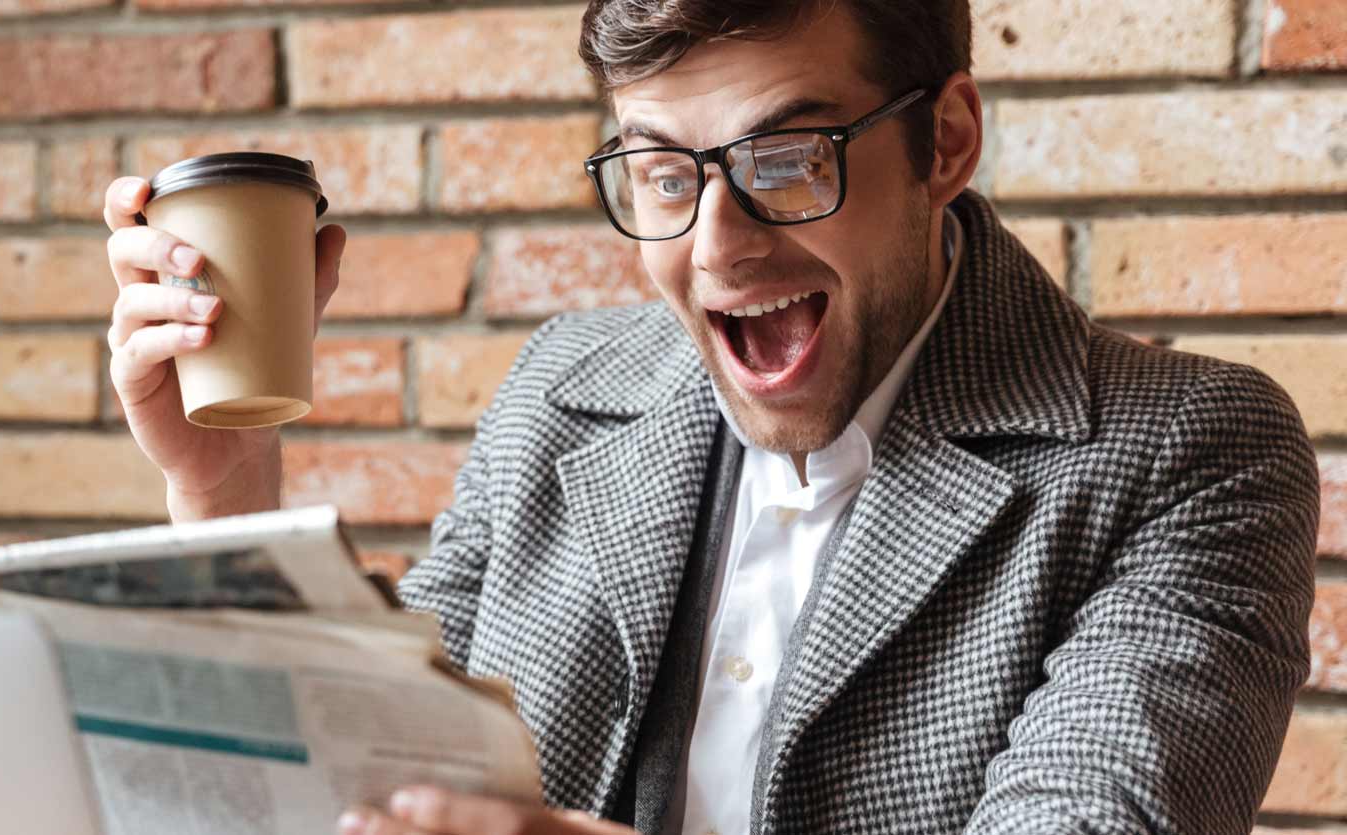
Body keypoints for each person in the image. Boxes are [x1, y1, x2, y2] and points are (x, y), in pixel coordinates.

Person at [101, 0, 1321, 831]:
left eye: (790, 158)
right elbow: (356, 756)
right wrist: (223, 490)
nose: (714, 246)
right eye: (663, 173)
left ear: (945, 144)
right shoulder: (561, 392)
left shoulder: (1194, 455)